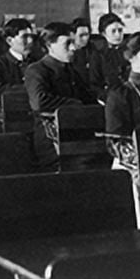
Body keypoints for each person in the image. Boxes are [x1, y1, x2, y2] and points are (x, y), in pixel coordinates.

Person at [24, 22, 95, 170]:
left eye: (73, 42)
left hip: (76, 136)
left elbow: (89, 99)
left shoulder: (71, 70)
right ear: (50, 45)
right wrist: (75, 104)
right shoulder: (36, 70)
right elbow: (39, 102)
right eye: (67, 43)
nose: (73, 48)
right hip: (52, 140)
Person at [0, 17, 34, 127]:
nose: (30, 41)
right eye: (25, 37)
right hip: (9, 121)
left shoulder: (37, 62)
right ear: (9, 41)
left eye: (31, 36)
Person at [89, 12, 129, 103]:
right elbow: (94, 84)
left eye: (120, 30)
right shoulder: (98, 55)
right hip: (109, 99)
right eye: (113, 31)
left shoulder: (129, 51)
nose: (118, 35)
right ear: (103, 33)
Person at [70, 17, 93, 89]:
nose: (85, 38)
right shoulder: (67, 52)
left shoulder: (92, 50)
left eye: (87, 35)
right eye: (81, 35)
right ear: (72, 35)